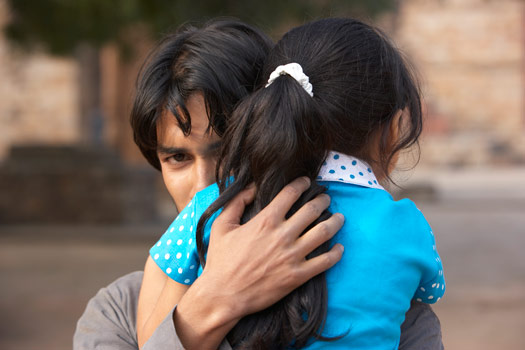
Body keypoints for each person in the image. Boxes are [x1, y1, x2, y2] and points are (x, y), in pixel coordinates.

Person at [74, 19, 444, 350]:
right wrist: (213, 301)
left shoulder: (396, 304)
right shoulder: (120, 310)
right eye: (178, 158)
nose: (206, 183)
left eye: (229, 154)